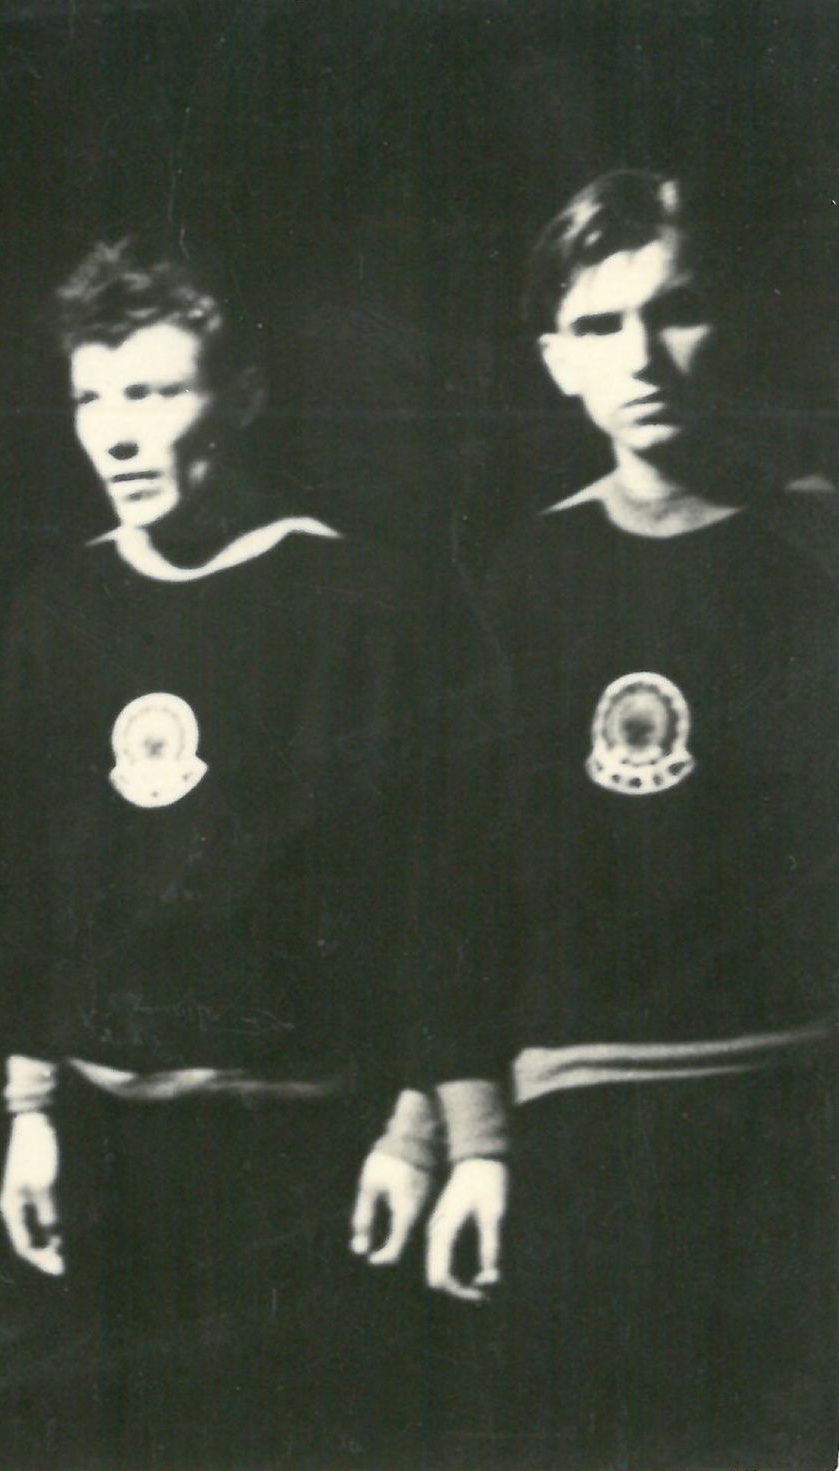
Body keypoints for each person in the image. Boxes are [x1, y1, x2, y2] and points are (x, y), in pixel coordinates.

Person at [0, 240, 435, 1467]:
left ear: (243, 397)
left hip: (305, 1153)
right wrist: (32, 1108)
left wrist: (414, 1129)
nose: (119, 435)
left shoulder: (356, 597)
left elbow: (422, 888)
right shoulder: (55, 610)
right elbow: (31, 886)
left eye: (155, 392)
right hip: (110, 1155)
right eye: (92, 398)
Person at [420, 170, 837, 1468]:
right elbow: (460, 887)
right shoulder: (517, 576)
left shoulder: (816, 546)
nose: (643, 355)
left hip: (798, 1116)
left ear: (735, 318)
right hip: (589, 1133)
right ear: (557, 362)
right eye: (600, 325)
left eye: (677, 309)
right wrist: (469, 1140)